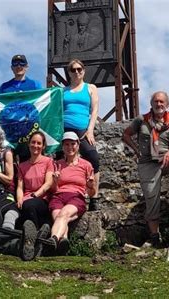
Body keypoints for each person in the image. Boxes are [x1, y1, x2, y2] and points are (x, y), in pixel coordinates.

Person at [123, 91, 169, 247]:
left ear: (167, 104)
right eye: (156, 101)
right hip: (147, 163)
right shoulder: (141, 120)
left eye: (162, 102)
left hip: (166, 159)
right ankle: (155, 236)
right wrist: (137, 150)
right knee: (151, 198)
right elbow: (126, 135)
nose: (159, 104)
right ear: (151, 104)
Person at [48, 132, 96, 255]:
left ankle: (52, 241)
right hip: (58, 196)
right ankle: (63, 241)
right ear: (62, 147)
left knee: (63, 215)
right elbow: (53, 189)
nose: (70, 147)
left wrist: (90, 186)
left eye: (73, 144)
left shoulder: (86, 165)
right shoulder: (57, 164)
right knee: (60, 217)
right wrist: (55, 181)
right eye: (66, 144)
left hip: (76, 197)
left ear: (78, 145)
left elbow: (91, 193)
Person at [63, 59, 101, 205]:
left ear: (84, 71)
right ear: (69, 72)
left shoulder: (90, 88)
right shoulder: (62, 91)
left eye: (79, 69)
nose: (77, 72)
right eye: (73, 70)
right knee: (61, 161)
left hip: (82, 129)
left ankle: (94, 196)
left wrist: (90, 130)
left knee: (93, 157)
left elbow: (95, 109)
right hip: (65, 128)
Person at [17, 131, 54, 228]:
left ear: (43, 146)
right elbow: (20, 187)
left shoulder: (48, 161)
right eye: (33, 142)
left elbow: (48, 183)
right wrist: (19, 199)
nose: (35, 145)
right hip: (26, 198)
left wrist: (35, 195)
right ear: (29, 144)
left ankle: (35, 234)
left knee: (30, 205)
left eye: (39, 143)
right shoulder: (22, 166)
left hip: (42, 198)